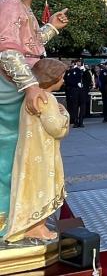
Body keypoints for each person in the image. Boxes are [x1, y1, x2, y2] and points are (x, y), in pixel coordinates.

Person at [0, 0, 68, 238]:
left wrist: (51, 27)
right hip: (11, 88)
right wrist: (30, 86)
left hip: (17, 85)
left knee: (18, 153)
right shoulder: (9, 5)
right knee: (13, 154)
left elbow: (29, 44)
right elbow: (7, 51)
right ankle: (11, 219)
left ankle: (18, 218)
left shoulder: (20, 6)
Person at [3, 58, 70, 243]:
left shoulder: (30, 97)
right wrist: (64, 114)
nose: (63, 81)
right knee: (41, 187)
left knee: (32, 187)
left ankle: (34, 226)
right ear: (52, 78)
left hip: (30, 152)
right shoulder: (46, 98)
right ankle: (36, 228)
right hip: (43, 153)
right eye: (61, 77)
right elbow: (57, 128)